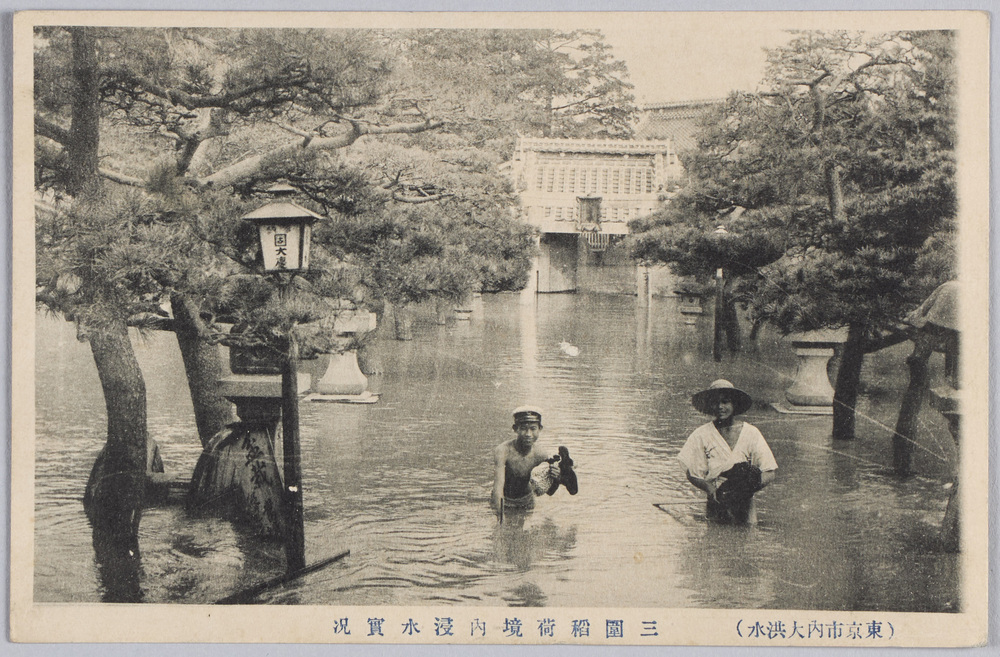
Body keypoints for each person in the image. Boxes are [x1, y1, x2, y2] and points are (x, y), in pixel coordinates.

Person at [677, 379, 777, 524]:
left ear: (734, 404)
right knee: (715, 539)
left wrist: (745, 489)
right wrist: (708, 487)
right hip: (717, 500)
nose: (720, 407)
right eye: (715, 402)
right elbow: (691, 472)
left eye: (725, 402)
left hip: (745, 503)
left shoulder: (751, 433)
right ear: (709, 405)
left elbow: (769, 471)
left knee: (746, 539)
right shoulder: (701, 434)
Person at [491, 406, 564, 521]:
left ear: (540, 429)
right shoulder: (503, 451)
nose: (528, 434)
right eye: (524, 428)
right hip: (505, 501)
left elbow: (550, 491)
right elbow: (498, 488)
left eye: (533, 428)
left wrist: (557, 478)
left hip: (527, 502)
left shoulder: (541, 454)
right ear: (515, 429)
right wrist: (500, 518)